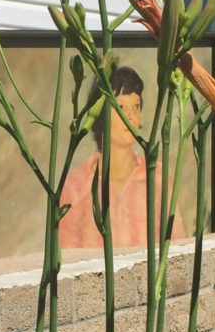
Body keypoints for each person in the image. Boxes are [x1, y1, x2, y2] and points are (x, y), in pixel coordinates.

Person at [58, 66, 187, 250]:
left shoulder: (158, 178)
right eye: (121, 106)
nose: (131, 116)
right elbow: (65, 257)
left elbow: (177, 247)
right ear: (101, 113)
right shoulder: (75, 187)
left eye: (136, 106)